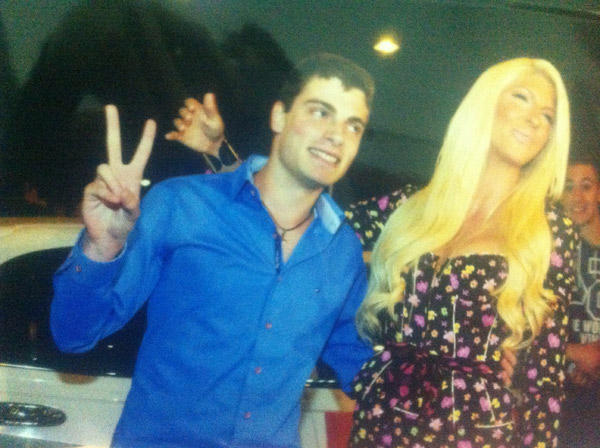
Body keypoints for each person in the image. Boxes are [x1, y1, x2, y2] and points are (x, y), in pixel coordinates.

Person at [50, 53, 375, 448]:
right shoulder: (182, 205)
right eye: (321, 112)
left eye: (353, 125)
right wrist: (103, 246)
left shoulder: (342, 251)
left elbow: (362, 368)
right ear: (279, 116)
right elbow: (73, 335)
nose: (337, 135)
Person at [344, 57, 575, 447]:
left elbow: (544, 381)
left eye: (548, 116)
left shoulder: (548, 231)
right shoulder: (409, 207)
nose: (535, 119)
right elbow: (313, 225)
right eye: (522, 98)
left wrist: (518, 370)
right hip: (382, 422)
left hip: (471, 431)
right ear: (485, 103)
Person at [559, 156, 600, 447]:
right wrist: (574, 355)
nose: (577, 197)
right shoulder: (549, 249)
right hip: (563, 386)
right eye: (568, 187)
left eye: (586, 186)